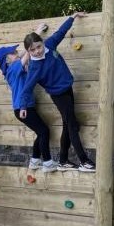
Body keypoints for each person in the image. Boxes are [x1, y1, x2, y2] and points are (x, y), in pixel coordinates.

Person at [22, 13, 95, 171]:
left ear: (42, 43)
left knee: (67, 125)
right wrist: (22, 106)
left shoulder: (50, 45)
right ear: (28, 51)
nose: (37, 51)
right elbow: (26, 89)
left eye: (38, 47)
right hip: (58, 95)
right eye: (32, 50)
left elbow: (61, 32)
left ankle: (63, 160)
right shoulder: (34, 68)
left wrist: (72, 17)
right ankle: (84, 161)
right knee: (72, 125)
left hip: (68, 88)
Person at [0, 41, 53, 171]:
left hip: (25, 107)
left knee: (41, 132)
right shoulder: (14, 68)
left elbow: (21, 54)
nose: (16, 53)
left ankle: (35, 160)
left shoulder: (11, 68)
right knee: (44, 131)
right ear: (7, 59)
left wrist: (18, 53)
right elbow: (26, 54)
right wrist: (34, 39)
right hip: (23, 108)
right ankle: (48, 162)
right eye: (13, 53)